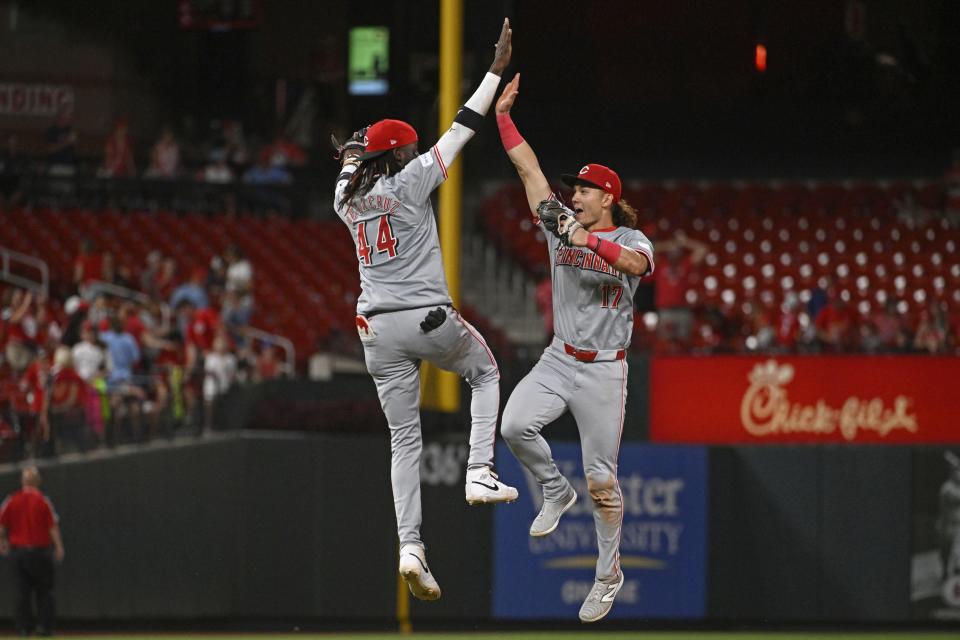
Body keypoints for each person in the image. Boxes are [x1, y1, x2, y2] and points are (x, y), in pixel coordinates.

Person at [333, 18, 517, 602]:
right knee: (485, 372)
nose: (415, 149)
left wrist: (357, 147)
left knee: (403, 441)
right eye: (407, 146)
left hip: (375, 331)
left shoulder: (346, 199)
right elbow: (462, 128)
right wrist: (492, 72)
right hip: (426, 319)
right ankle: (480, 471)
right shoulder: (410, 181)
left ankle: (410, 546)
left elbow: (347, 168)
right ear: (398, 155)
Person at [494, 73, 654, 622]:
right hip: (560, 358)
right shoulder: (558, 221)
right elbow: (528, 170)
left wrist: (585, 238)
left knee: (604, 483)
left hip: (606, 372)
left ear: (607, 196)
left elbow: (637, 267)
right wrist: (503, 117)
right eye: (575, 189)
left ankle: (608, 575)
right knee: (514, 426)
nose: (575, 195)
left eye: (584, 189)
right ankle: (553, 490)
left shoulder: (631, 239)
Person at [0, 466, 66, 637]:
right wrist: (59, 546)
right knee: (45, 591)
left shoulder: (12, 500)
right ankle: (44, 628)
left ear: (22, 481)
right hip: (40, 552)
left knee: (21, 592)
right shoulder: (43, 500)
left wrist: (3, 542)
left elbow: (1, 525)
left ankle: (23, 628)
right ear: (38, 481)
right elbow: (53, 527)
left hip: (19, 553)